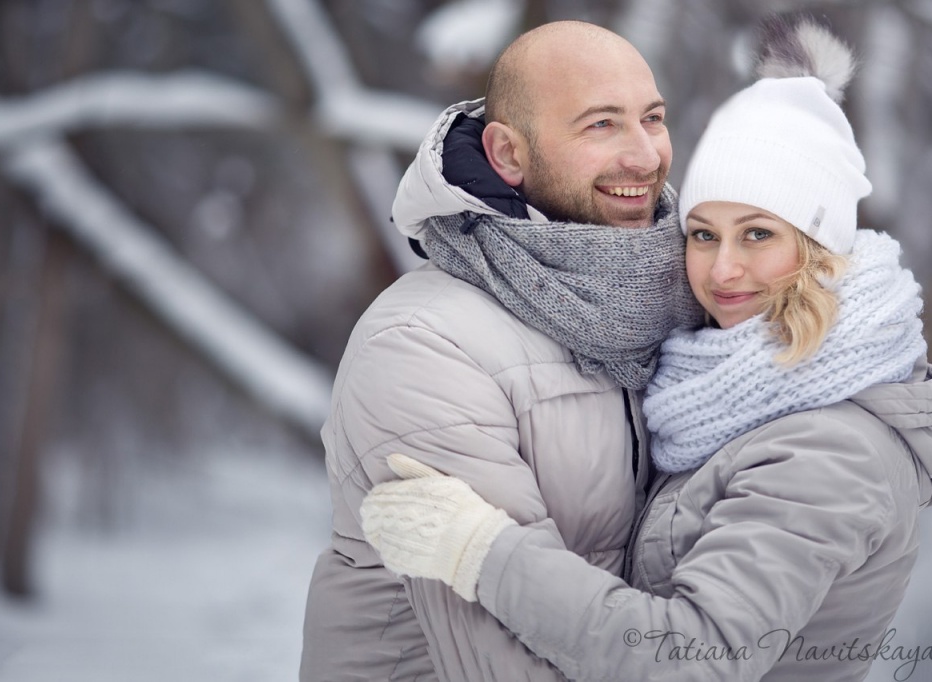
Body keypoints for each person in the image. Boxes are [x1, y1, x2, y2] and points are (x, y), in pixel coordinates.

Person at [359, 17, 932, 681]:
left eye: (759, 234)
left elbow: (693, 659)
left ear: (821, 247)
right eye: (703, 234)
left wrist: (485, 554)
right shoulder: (715, 387)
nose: (722, 269)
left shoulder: (827, 446)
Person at [299, 20, 702, 681]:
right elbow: (503, 656)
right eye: (601, 124)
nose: (644, 155)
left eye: (652, 119)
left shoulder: (686, 300)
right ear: (508, 154)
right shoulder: (422, 346)